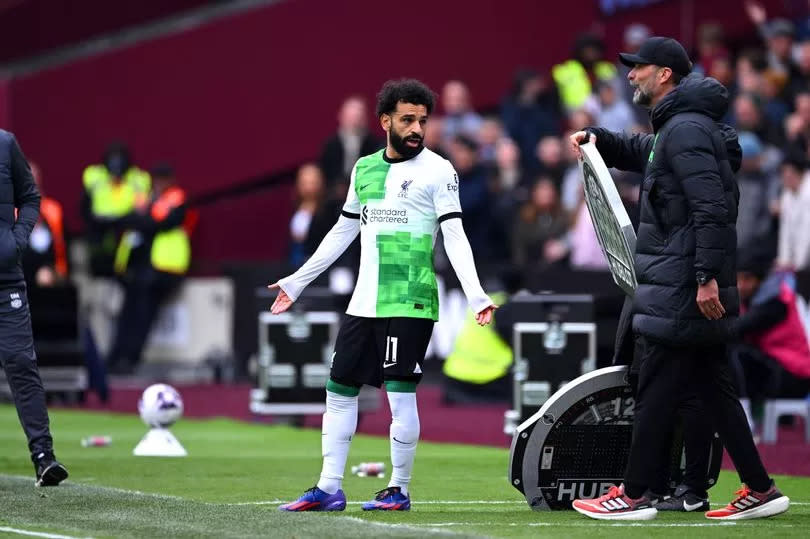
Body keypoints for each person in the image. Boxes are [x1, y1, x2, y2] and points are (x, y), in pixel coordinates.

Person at [568, 36, 789, 520]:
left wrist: (706, 276)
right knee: (715, 390)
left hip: (683, 285)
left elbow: (712, 208)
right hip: (686, 281)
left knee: (655, 387)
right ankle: (760, 487)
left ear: (663, 74)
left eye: (637, 67)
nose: (630, 75)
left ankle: (634, 493)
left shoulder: (685, 129)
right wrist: (600, 139)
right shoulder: (683, 128)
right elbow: (645, 151)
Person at [272, 79, 496, 512]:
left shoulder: (439, 170)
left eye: (423, 121)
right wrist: (296, 282)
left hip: (410, 300)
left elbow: (455, 237)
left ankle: (398, 488)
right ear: (385, 121)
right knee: (338, 388)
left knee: (399, 393)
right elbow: (342, 232)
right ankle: (329, 487)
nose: (416, 128)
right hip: (364, 302)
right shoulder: (364, 169)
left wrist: (476, 295)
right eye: (408, 120)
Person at [0, 129, 68, 486]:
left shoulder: (5, 144)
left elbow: (30, 197)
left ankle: (44, 459)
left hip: (5, 281)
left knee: (22, 364)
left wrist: (17, 240)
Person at [107, 164, 192, 374]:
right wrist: (140, 218)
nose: (159, 184)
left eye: (163, 180)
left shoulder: (175, 198)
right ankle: (116, 357)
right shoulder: (146, 199)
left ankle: (130, 359)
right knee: (127, 314)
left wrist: (140, 218)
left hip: (162, 271)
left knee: (143, 315)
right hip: (136, 271)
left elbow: (157, 223)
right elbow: (125, 219)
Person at [81, 142, 151, 277]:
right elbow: (84, 208)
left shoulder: (139, 179)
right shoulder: (94, 176)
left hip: (127, 232)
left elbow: (143, 210)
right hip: (100, 231)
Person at [23, 162, 68, 287]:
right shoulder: (9, 212)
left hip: (49, 270)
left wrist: (59, 271)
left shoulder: (53, 210)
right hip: (20, 270)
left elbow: (61, 247)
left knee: (45, 277)